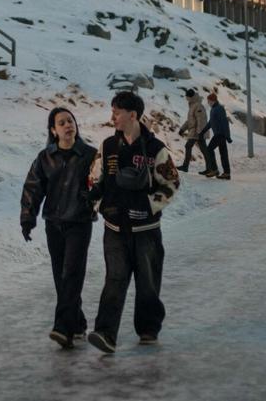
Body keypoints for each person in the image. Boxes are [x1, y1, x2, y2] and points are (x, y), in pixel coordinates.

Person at [85, 91, 180, 354]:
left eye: (117, 112)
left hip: (147, 231)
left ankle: (148, 329)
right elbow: (94, 181)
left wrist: (149, 206)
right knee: (114, 280)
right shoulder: (107, 147)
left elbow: (172, 182)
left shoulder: (156, 149)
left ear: (133, 115)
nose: (112, 117)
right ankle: (105, 334)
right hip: (114, 229)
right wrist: (101, 207)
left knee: (148, 282)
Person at [20, 106, 100, 349]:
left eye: (71, 121)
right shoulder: (45, 158)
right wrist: (27, 217)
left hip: (79, 221)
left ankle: (62, 328)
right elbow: (33, 188)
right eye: (62, 122)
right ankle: (77, 322)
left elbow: (101, 184)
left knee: (72, 274)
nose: (68, 125)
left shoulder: (90, 155)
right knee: (60, 276)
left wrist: (93, 197)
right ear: (53, 130)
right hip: (54, 224)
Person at [199, 92, 232, 180]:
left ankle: (215, 170)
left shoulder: (219, 108)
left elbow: (224, 122)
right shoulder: (213, 109)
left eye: (209, 101)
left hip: (220, 134)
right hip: (219, 134)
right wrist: (203, 131)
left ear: (213, 100)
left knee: (209, 149)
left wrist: (227, 136)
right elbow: (211, 122)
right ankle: (226, 173)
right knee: (223, 153)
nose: (208, 102)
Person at [177, 88, 208, 173]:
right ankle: (210, 167)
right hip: (195, 131)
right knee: (203, 149)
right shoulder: (192, 105)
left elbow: (200, 120)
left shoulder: (197, 105)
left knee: (193, 147)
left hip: (197, 132)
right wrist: (182, 129)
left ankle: (185, 166)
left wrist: (199, 132)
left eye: (186, 97)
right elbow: (190, 120)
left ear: (190, 97)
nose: (186, 98)